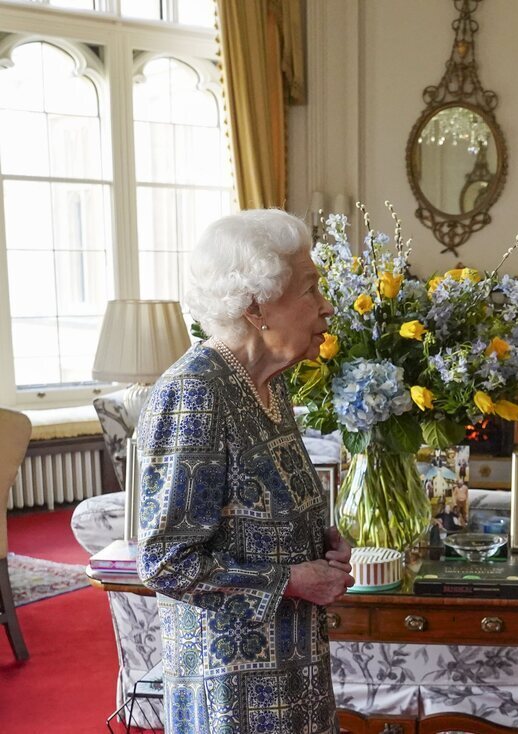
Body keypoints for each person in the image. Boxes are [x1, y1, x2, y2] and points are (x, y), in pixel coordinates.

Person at [136, 209, 354, 734]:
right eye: (310, 289)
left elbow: (257, 513)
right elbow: (165, 561)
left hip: (295, 672)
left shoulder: (270, 383)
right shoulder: (195, 392)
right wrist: (291, 581)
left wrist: (321, 541)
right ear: (257, 306)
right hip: (231, 691)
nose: (326, 306)